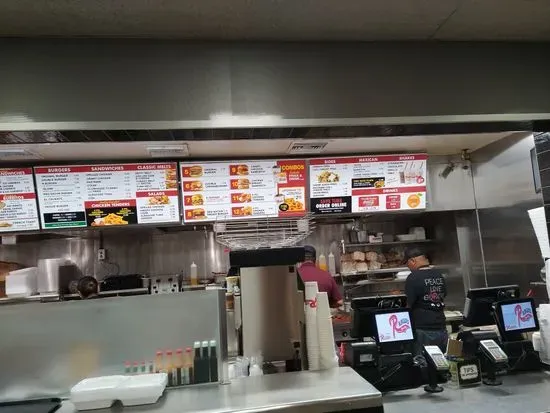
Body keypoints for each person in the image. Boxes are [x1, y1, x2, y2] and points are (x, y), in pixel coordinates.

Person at [403, 247, 447, 355]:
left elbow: (409, 303)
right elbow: (444, 294)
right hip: (441, 327)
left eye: (408, 264)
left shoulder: (413, 277)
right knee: (439, 360)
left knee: (422, 361)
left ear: (412, 261)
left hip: (423, 329)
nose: (408, 267)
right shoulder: (439, 275)